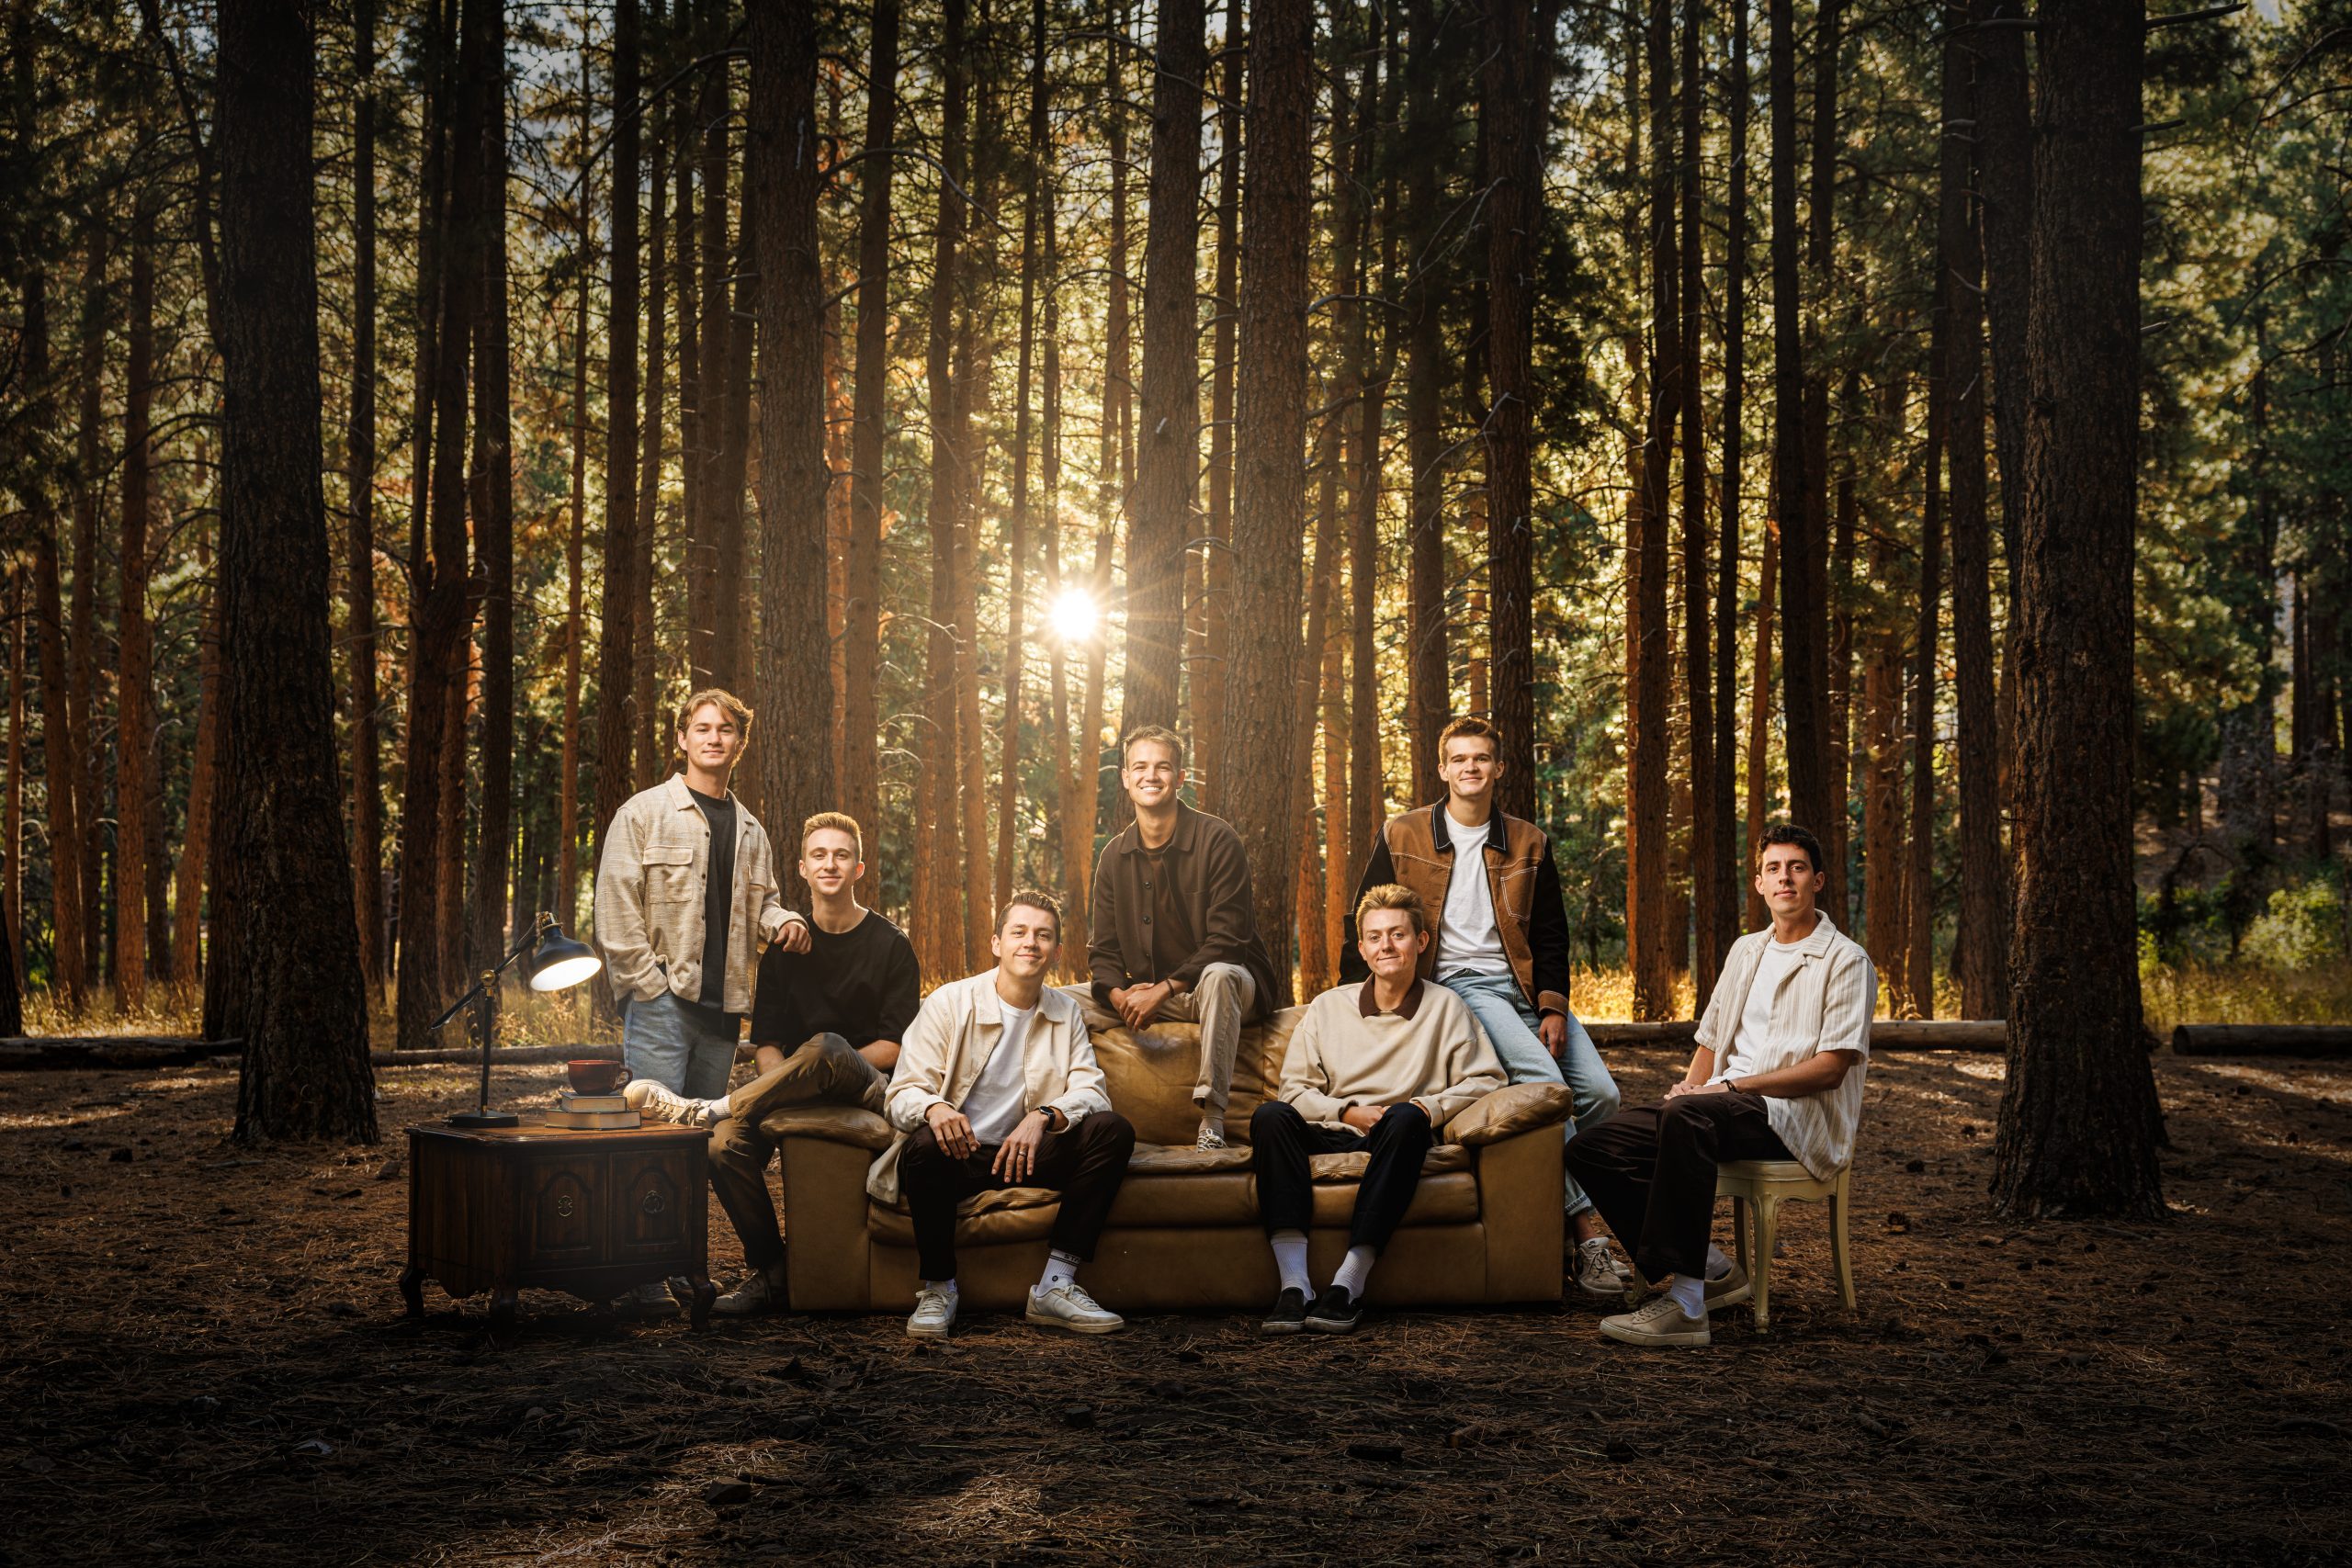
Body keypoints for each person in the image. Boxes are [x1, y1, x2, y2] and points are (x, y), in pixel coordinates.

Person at [1345, 716, 1625, 1303]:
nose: (1470, 767)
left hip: (1523, 989)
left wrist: (1553, 1006)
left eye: (1481, 758)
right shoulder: (1402, 833)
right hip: (1460, 987)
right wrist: (1353, 998)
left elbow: (1550, 933)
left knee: (1602, 1095)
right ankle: (1587, 1234)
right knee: (1548, 1089)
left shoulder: (1528, 840)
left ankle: (1559, 1209)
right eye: (1459, 759)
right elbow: (1367, 915)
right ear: (1442, 769)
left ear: (1499, 768)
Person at [1566, 824, 1877, 1348]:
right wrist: (1687, 1091)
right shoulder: (1746, 951)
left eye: (1797, 868)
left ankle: (1688, 1306)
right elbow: (1711, 1042)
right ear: (1759, 883)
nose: (1785, 878)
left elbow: (1830, 1068)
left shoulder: (1846, 960)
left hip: (1794, 1116)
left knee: (1689, 1116)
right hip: (1718, 1107)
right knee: (1592, 1146)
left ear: (1818, 880)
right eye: (1774, 869)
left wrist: (1727, 1091)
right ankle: (1711, 1268)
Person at [624, 812, 920, 1316]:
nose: (830, 864)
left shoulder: (891, 944)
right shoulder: (785, 947)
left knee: (826, 1048)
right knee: (720, 1147)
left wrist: (818, 1068)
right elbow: (766, 1044)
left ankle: (711, 1107)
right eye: (819, 855)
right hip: (793, 1087)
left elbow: (894, 1047)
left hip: (868, 1085)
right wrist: (793, 1082)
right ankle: (773, 1273)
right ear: (802, 869)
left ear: (859, 868)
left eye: (842, 855)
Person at [593, 690, 809, 1314]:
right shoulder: (643, 813)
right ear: (683, 738)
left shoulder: (751, 829)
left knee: (695, 1147)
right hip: (663, 1004)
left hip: (723, 1014)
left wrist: (786, 921)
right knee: (650, 1139)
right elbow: (615, 906)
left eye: (727, 729)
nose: (715, 738)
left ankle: (681, 1265)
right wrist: (648, 984)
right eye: (704, 728)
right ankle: (639, 1273)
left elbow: (764, 903)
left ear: (741, 743)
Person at [871, 890, 1137, 1339]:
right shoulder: (949, 1002)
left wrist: (1044, 1116)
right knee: (923, 1146)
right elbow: (901, 1093)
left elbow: (1092, 1091)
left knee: (1112, 1130)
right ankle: (939, 1288)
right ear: (997, 943)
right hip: (961, 1155)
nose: (1030, 942)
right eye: (1019, 932)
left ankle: (1055, 1285)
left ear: (1056, 950)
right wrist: (935, 1107)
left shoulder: (1065, 1011)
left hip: (1028, 1157)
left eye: (1043, 935)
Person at [1251, 884, 1507, 1336]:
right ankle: (1294, 1286)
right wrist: (1347, 1112)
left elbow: (1488, 1079)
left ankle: (1348, 1283)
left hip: (1398, 1137)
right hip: (1333, 1129)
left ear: (1420, 941)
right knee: (1269, 1116)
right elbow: (1293, 1091)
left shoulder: (1447, 1007)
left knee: (1407, 1117)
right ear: (1363, 949)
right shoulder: (1328, 1007)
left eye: (1397, 934)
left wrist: (1426, 1106)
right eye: (1375, 937)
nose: (1386, 945)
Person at [1085, 724, 1280, 1150]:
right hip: (1153, 992)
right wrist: (1119, 995)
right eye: (1140, 767)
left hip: (1228, 986)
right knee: (1062, 1003)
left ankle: (1212, 1120)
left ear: (1180, 777)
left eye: (1162, 767)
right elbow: (1103, 951)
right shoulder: (1114, 856)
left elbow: (1229, 939)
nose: (1150, 776)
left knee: (1220, 974)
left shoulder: (1218, 840)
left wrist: (1163, 990)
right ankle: (1060, 1113)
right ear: (1125, 777)